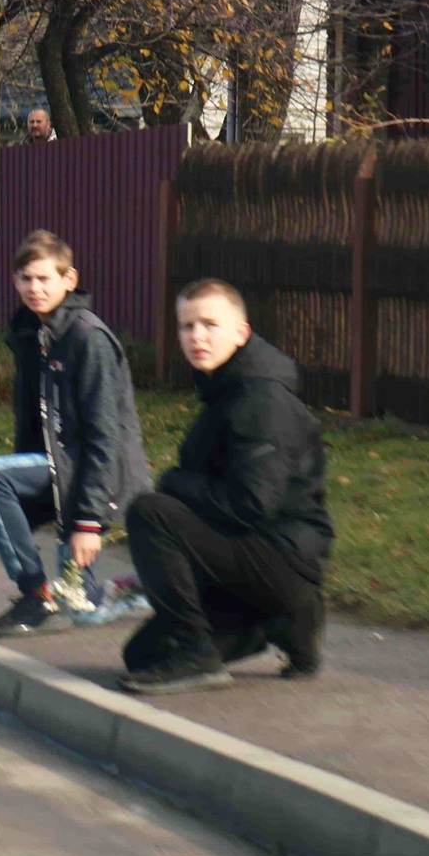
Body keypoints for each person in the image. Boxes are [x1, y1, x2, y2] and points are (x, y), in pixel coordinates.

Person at [118, 279, 333, 696]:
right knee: (143, 656)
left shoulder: (261, 399)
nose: (197, 336)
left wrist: (174, 482)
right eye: (186, 326)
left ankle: (200, 652)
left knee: (150, 512)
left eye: (210, 324)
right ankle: (278, 626)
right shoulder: (226, 388)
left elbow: (251, 504)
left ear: (241, 332)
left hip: (282, 558)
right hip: (246, 557)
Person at [0, 231, 151, 638]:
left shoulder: (87, 339)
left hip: (94, 480)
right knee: (82, 608)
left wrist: (87, 521)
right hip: (60, 478)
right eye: (25, 279)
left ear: (69, 279)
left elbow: (107, 437)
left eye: (44, 279)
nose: (34, 288)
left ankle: (37, 595)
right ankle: (146, 585)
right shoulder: (33, 334)